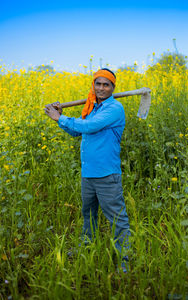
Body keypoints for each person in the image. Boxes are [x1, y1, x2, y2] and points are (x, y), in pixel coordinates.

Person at [44, 68, 130, 271]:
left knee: (117, 218)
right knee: (88, 213)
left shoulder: (114, 109)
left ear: (112, 87)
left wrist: (59, 118)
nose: (101, 88)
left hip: (107, 174)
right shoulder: (92, 108)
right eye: (98, 84)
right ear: (93, 85)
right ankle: (87, 246)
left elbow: (90, 127)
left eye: (106, 84)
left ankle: (125, 260)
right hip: (88, 173)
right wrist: (62, 119)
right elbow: (78, 130)